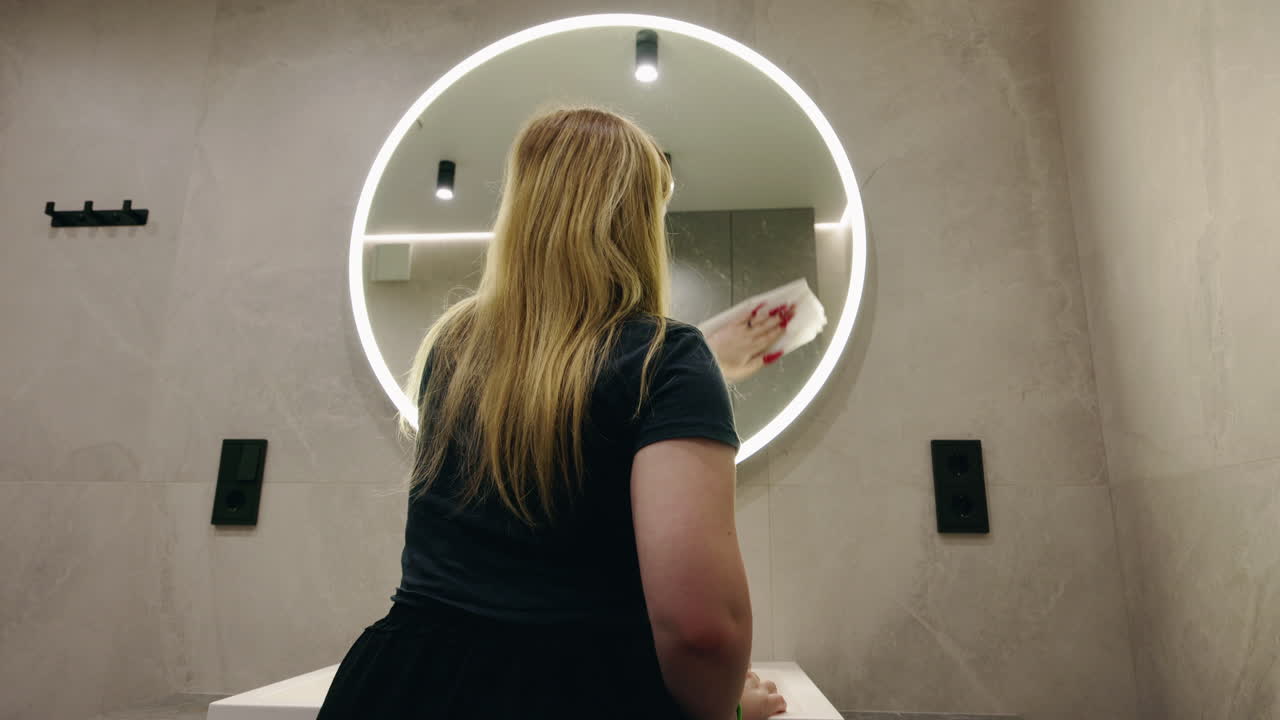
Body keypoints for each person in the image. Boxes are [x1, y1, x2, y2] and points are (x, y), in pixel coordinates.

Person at [317, 106, 789, 720]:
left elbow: (565, 408)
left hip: (397, 684)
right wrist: (729, 707)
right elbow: (703, 634)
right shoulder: (668, 357)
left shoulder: (455, 348)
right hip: (574, 690)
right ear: (637, 220)